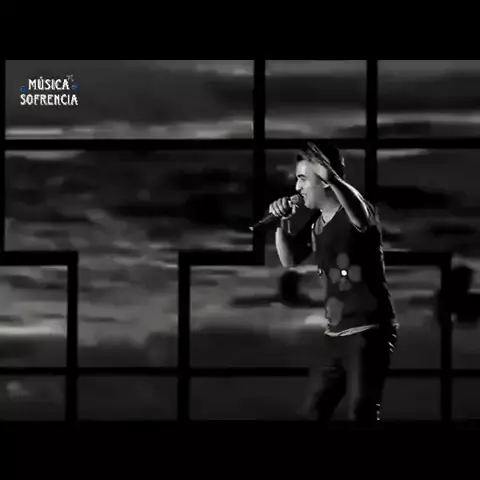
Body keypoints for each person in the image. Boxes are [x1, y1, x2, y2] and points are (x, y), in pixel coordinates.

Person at [269, 142, 398, 424]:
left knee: (361, 412)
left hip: (368, 332)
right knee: (315, 411)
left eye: (303, 179)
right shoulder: (317, 223)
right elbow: (289, 259)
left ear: (325, 179)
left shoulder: (357, 211)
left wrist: (334, 178)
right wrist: (283, 222)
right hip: (336, 335)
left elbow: (360, 217)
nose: (297, 187)